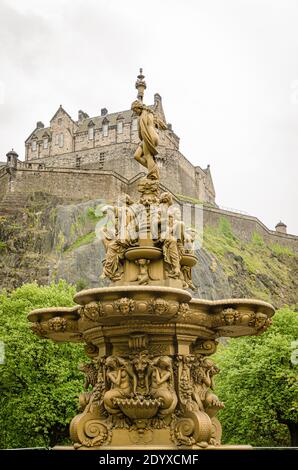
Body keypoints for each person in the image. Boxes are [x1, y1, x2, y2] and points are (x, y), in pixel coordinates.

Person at [131, 100, 167, 180]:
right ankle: (154, 169)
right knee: (136, 156)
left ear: (139, 107)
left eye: (135, 110)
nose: (135, 112)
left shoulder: (144, 114)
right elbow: (162, 126)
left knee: (148, 156)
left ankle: (153, 174)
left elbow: (142, 128)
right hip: (151, 136)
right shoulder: (150, 113)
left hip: (149, 136)